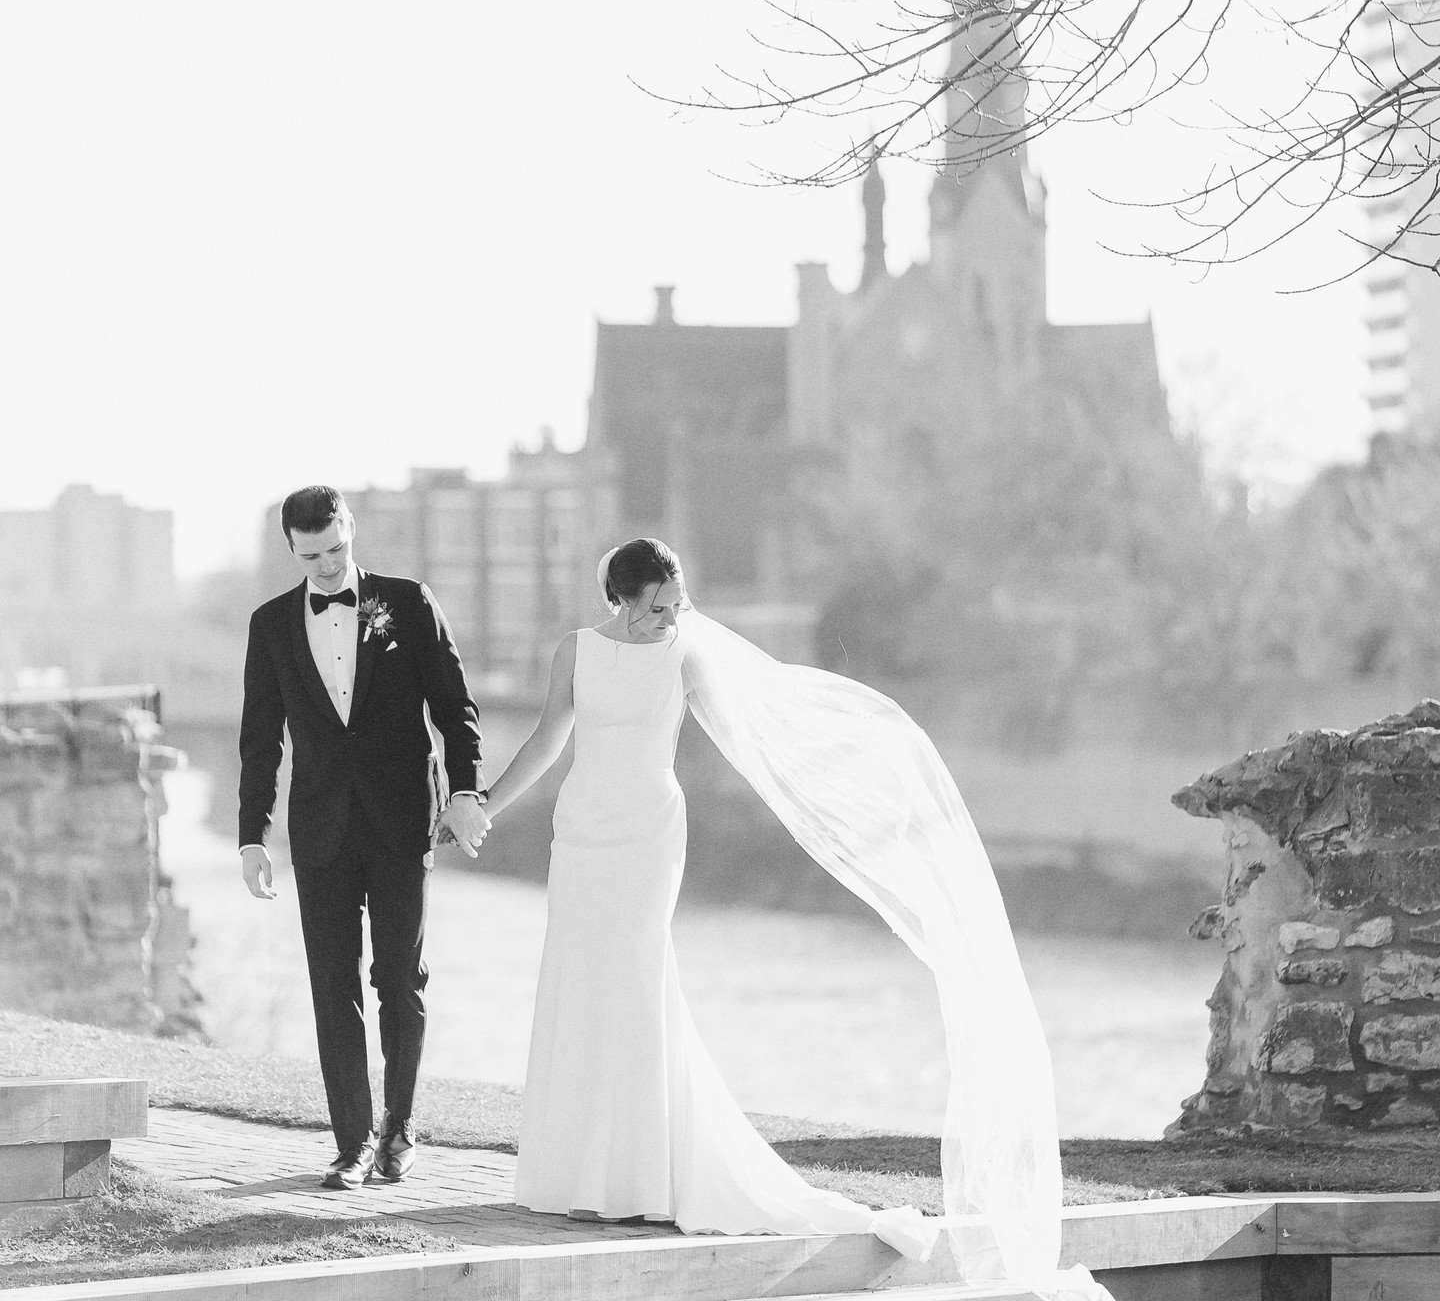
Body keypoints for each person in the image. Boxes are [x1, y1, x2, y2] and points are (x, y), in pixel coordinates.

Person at [466, 538, 1111, 1300]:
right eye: (655, 608)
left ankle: (642, 1176)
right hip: (581, 834)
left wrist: (843, 781)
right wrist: (484, 803)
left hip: (648, 835)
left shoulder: (686, 655)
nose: (669, 619)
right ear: (621, 599)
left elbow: (762, 722)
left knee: (638, 985)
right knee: (581, 980)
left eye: (677, 606)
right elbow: (549, 739)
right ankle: (581, 1171)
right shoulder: (574, 653)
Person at [238, 484, 489, 1190]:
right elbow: (260, 742)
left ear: (352, 530)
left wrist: (466, 791)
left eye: (336, 550)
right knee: (331, 986)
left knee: (398, 982)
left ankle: (398, 1134)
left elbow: (455, 708)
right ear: (292, 548)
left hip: (402, 820)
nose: (325, 566)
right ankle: (350, 1144)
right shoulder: (270, 625)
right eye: (310, 555)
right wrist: (252, 835)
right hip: (318, 832)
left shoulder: (408, 603)